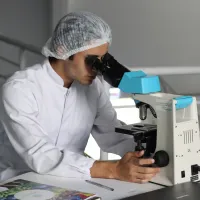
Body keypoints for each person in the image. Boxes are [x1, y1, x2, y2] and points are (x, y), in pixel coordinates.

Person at [0, 11, 160, 182]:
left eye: (102, 61)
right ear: (63, 50)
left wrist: (149, 152)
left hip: (71, 179)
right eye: (92, 61)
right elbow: (40, 155)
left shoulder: (93, 88)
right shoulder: (20, 89)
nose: (96, 69)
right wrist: (113, 169)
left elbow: (113, 136)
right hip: (19, 179)